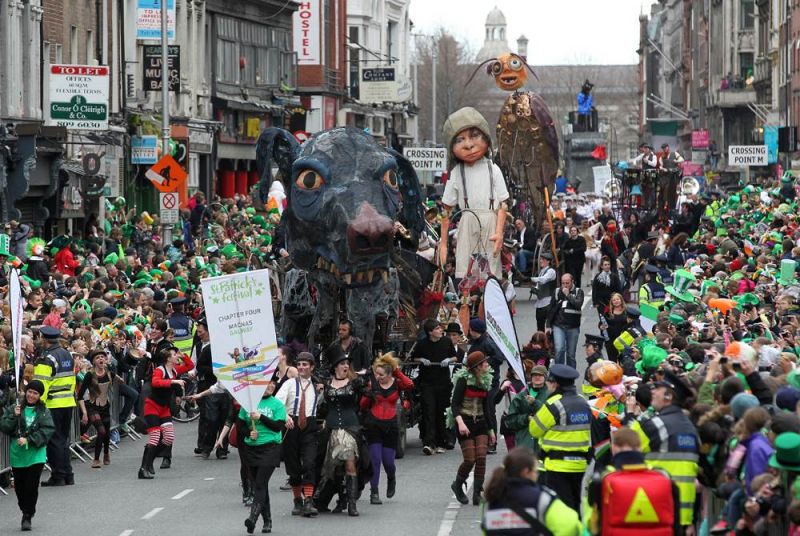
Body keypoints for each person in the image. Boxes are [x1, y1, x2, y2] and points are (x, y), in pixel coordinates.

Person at [440, 107, 510, 277]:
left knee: (491, 273)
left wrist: (499, 232)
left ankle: (488, 301)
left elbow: (503, 204)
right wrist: (443, 244)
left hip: (490, 222)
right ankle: (466, 302)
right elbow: (446, 210)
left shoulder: (493, 169)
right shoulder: (457, 172)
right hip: (467, 220)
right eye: (460, 140)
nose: (469, 145)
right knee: (466, 272)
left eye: (474, 136)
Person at [625, 369, 700, 529]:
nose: (653, 392)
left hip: (655, 510)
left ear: (668, 397)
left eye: (657, 389)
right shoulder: (691, 428)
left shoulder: (654, 426)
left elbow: (625, 452)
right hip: (685, 516)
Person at [586, 427, 679, 535]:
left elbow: (594, 518)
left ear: (614, 448)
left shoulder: (602, 479)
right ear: (639, 448)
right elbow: (676, 522)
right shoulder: (664, 476)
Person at [529, 364, 592, 512]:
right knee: (577, 508)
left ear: (556, 384)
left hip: (557, 467)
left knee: (560, 511)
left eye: (550, 382)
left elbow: (534, 430)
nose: (548, 385)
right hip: (581, 466)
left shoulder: (553, 404)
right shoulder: (583, 402)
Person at [482, 447, 583, 536]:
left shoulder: (491, 500)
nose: (537, 475)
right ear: (526, 472)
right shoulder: (541, 498)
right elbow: (571, 525)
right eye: (536, 471)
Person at [0, 380, 55, 531]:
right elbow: (4, 426)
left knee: (31, 486)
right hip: (18, 455)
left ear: (39, 396)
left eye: (35, 393)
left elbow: (48, 429)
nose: (31, 395)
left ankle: (27, 515)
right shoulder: (14, 408)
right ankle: (25, 508)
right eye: (30, 392)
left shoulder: (43, 411)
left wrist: (29, 440)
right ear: (26, 392)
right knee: (20, 488)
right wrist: (13, 416)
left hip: (36, 454)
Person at [360, 352, 414, 505]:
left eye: (381, 374)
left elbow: (410, 385)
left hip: (390, 425)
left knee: (388, 461)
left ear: (389, 374)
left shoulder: (397, 383)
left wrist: (396, 370)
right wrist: (367, 395)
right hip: (374, 425)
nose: (378, 377)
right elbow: (362, 406)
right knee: (375, 459)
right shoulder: (372, 384)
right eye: (376, 373)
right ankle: (374, 492)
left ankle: (391, 478)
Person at [319, 351, 367, 517]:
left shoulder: (355, 383)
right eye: (342, 363)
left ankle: (352, 504)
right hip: (331, 429)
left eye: (347, 363)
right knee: (335, 468)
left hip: (350, 428)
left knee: (349, 463)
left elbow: (371, 397)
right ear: (335, 367)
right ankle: (342, 500)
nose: (346, 366)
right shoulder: (326, 383)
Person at [138, 345, 194, 479]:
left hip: (164, 408)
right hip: (152, 406)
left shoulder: (174, 370)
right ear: (168, 359)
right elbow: (156, 382)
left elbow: (190, 365)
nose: (177, 356)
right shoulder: (160, 370)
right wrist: (174, 381)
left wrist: (183, 355)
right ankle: (144, 468)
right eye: (175, 355)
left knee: (168, 438)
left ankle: (149, 460)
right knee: (156, 437)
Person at [275, 351, 320, 517]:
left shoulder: (317, 385)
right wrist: (285, 416)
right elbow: (277, 403)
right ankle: (297, 501)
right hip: (291, 426)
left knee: (309, 463)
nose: (301, 367)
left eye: (305, 365)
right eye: (299, 364)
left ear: (312, 367)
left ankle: (308, 500)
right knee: (293, 465)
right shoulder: (289, 384)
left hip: (310, 425)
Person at [239, 380, 286, 534]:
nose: (270, 387)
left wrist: (260, 417)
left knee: (260, 483)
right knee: (261, 486)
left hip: (270, 448)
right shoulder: (248, 403)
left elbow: (278, 426)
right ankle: (268, 521)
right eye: (265, 384)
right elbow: (240, 425)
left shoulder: (277, 405)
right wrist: (248, 432)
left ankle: (252, 517)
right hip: (251, 449)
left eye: (272, 384)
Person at [449, 351, 495, 506]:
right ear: (477, 367)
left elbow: (487, 408)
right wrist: (460, 423)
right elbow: (454, 405)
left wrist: (491, 430)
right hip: (465, 421)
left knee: (481, 457)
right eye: (484, 363)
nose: (487, 365)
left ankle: (477, 493)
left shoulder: (486, 381)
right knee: (470, 459)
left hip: (480, 422)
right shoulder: (463, 380)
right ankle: (457, 485)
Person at [33, 325, 76, 487]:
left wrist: (37, 405)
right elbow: (72, 380)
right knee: (63, 440)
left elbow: (41, 385)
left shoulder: (46, 358)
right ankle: (68, 474)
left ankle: (58, 475)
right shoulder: (67, 354)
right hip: (67, 402)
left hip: (52, 404)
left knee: (54, 441)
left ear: (44, 339)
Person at [411, 318, 458, 455]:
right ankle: (429, 443)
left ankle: (442, 441)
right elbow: (414, 358)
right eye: (437, 329)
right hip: (427, 383)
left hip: (443, 382)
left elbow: (455, 357)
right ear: (430, 332)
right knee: (429, 412)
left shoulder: (446, 342)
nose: (440, 330)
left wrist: (448, 360)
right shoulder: (422, 344)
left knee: (441, 412)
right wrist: (422, 360)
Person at [195, 318, 231, 459]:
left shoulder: (231, 350)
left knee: (225, 420)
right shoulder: (209, 349)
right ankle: (207, 447)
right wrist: (214, 370)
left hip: (227, 390)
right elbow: (200, 367)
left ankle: (222, 449)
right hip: (212, 388)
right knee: (211, 419)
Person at [77, 349, 116, 468]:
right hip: (92, 406)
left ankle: (106, 453)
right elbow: (80, 396)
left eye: (102, 357)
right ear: (93, 361)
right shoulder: (90, 374)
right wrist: (84, 413)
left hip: (105, 405)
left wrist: (120, 379)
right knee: (101, 431)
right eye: (98, 357)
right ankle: (96, 459)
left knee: (106, 432)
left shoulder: (109, 372)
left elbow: (115, 378)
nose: (101, 359)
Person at [503, 364, 549, 453]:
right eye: (534, 375)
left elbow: (550, 414)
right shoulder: (521, 396)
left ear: (545, 377)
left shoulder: (550, 395)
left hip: (544, 443)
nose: (537, 377)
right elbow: (510, 421)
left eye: (540, 375)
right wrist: (526, 418)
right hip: (525, 441)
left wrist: (535, 403)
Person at [548, 274, 584, 369]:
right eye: (563, 283)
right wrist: (548, 325)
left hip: (573, 327)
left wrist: (568, 295)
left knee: (571, 354)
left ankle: (570, 377)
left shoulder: (578, 291)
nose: (565, 285)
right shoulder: (557, 291)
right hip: (558, 326)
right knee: (559, 350)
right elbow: (551, 309)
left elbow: (578, 304)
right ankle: (559, 373)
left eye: (567, 283)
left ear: (572, 282)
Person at [530, 252, 557, 332]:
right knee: (539, 328)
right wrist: (535, 289)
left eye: (543, 259)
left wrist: (532, 279)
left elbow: (544, 280)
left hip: (548, 303)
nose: (541, 261)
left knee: (549, 328)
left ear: (548, 261)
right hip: (540, 303)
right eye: (541, 259)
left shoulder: (551, 271)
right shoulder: (542, 271)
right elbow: (539, 285)